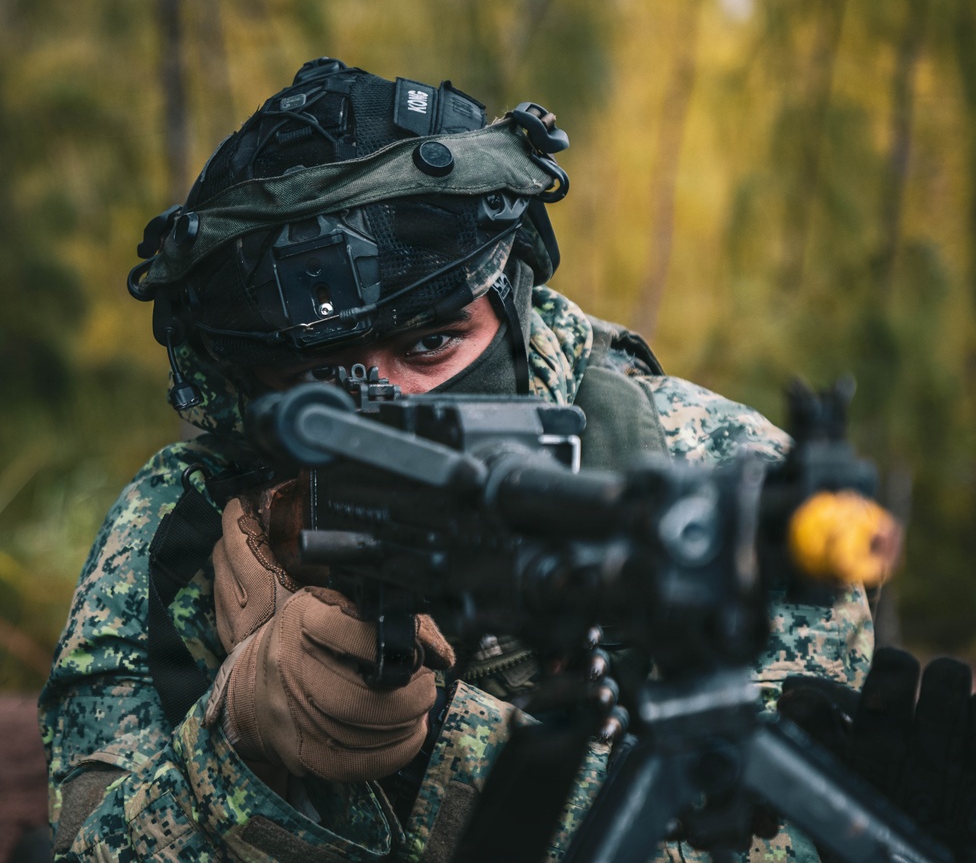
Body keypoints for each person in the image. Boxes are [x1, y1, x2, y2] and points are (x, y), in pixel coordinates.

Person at [40, 58, 874, 862]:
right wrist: (237, 750)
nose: (393, 415)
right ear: (248, 392)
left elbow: (790, 839)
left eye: (434, 342)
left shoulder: (711, 475)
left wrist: (443, 752)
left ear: (512, 300)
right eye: (316, 386)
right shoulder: (173, 536)